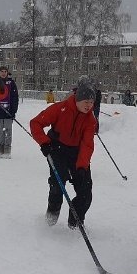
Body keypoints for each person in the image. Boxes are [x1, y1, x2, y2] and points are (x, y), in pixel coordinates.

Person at [30, 79, 97, 229]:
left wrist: (81, 167)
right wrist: (44, 143)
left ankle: (75, 222)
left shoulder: (90, 120)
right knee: (57, 185)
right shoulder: (60, 108)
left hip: (77, 153)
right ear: (78, 99)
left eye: (91, 102)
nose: (89, 105)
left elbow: (87, 145)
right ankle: (51, 219)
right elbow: (35, 123)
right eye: (86, 101)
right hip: (57, 149)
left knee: (85, 191)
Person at [0, 66, 19, 158]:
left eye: (5, 71)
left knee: (8, 131)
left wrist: (13, 111)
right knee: (1, 131)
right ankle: (1, 151)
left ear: (7, 72)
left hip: (8, 111)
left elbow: (15, 98)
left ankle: (7, 151)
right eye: (2, 71)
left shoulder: (11, 83)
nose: (3, 73)